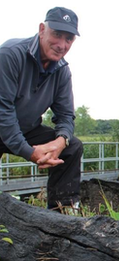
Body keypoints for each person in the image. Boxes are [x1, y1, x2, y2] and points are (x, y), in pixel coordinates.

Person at [0, 7, 83, 210]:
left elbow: (65, 115)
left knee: (72, 147)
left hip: (25, 129)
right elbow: (3, 111)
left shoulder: (62, 71)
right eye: (56, 34)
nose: (61, 45)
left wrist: (60, 141)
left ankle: (61, 215)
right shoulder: (10, 55)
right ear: (42, 29)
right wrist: (29, 152)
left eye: (69, 39)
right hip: (3, 124)